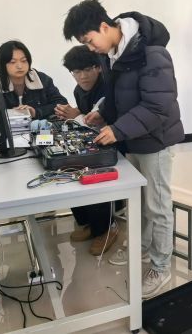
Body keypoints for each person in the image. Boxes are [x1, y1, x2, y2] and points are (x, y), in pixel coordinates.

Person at [63, 0, 184, 299]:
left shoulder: (151, 53)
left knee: (158, 206)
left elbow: (157, 106)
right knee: (139, 202)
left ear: (105, 27)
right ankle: (141, 248)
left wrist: (117, 129)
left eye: (89, 40)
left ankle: (161, 266)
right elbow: (120, 94)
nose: (91, 48)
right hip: (133, 138)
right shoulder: (113, 54)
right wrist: (104, 113)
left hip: (155, 141)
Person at [57, 45, 119, 256]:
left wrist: (76, 115)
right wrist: (73, 115)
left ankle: (106, 229)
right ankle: (90, 224)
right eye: (76, 71)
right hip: (92, 139)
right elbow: (86, 119)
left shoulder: (107, 86)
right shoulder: (78, 90)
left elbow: (102, 121)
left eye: (87, 69)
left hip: (112, 142)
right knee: (70, 171)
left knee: (94, 178)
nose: (82, 76)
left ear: (98, 67)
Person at [0, 40, 67, 119]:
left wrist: (35, 112)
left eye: (24, 61)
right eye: (13, 62)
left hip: (39, 128)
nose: (19, 66)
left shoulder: (42, 79)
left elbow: (62, 103)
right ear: (3, 64)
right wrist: (10, 114)